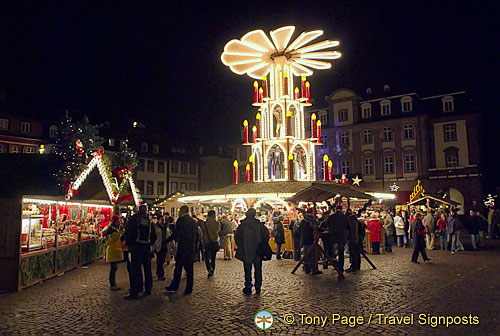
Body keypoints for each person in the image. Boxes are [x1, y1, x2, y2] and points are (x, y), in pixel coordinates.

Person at [124, 204, 157, 300]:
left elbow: (129, 233)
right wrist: (149, 244)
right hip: (146, 248)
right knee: (147, 269)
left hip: (135, 248)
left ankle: (135, 290)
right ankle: (148, 289)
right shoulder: (150, 221)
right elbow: (154, 236)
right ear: (146, 210)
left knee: (135, 270)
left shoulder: (134, 219)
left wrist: (130, 245)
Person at [235, 208, 270, 295]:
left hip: (246, 250)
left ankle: (248, 286)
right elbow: (266, 236)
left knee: (247, 269)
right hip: (258, 251)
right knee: (258, 269)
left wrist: (241, 246)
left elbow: (237, 237)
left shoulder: (243, 225)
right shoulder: (259, 225)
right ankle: (258, 286)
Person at [165, 205, 198, 295]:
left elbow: (176, 233)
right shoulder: (193, 221)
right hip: (191, 247)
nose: (179, 212)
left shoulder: (181, 220)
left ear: (183, 211)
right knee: (189, 269)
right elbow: (197, 235)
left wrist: (167, 240)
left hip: (183, 247)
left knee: (178, 268)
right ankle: (189, 288)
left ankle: (175, 286)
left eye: (180, 211)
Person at [103, 215, 124, 290]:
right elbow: (112, 239)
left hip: (115, 251)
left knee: (114, 268)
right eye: (118, 221)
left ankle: (113, 283)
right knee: (113, 269)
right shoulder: (111, 231)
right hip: (112, 251)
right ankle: (112, 284)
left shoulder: (115, 229)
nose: (119, 223)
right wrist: (120, 233)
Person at [327, 205, 349, 271]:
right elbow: (347, 227)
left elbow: (327, 225)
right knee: (341, 252)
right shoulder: (345, 217)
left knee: (333, 251)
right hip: (342, 237)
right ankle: (341, 266)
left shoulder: (331, 217)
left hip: (333, 236)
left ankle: (335, 264)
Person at [300, 208, 320, 274]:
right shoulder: (311, 221)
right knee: (312, 255)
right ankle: (313, 269)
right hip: (311, 240)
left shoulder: (303, 221)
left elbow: (299, 230)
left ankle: (307, 268)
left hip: (305, 240)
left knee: (306, 255)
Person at [201, 210, 220, 277]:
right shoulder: (217, 223)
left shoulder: (204, 223)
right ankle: (213, 268)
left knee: (206, 256)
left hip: (207, 241)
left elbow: (202, 232)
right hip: (214, 242)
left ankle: (209, 268)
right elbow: (218, 231)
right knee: (213, 257)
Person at [152, 213, 169, 280]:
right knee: (160, 260)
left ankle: (160, 273)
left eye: (163, 219)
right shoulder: (156, 227)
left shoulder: (166, 227)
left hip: (165, 245)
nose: (163, 221)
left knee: (162, 260)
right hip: (159, 245)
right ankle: (160, 274)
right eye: (161, 219)